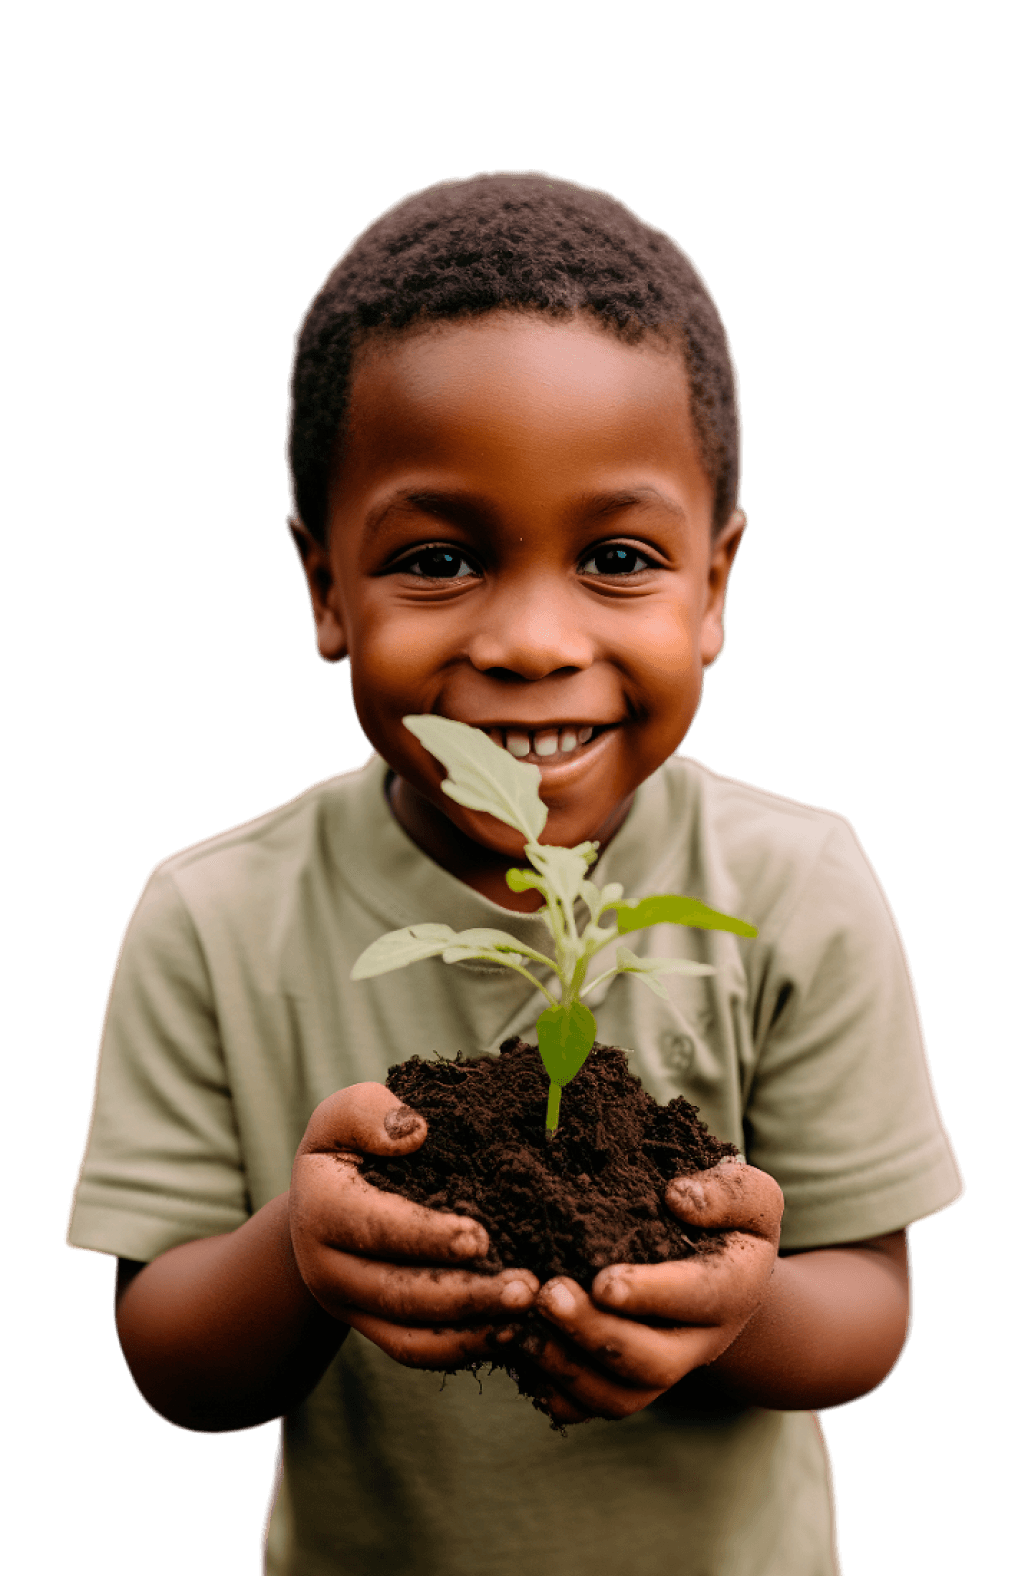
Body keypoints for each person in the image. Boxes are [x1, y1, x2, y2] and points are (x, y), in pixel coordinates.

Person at [65, 170, 964, 1576]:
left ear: (715, 586)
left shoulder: (800, 885)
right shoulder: (211, 914)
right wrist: (305, 1253)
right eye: (440, 559)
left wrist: (733, 1315)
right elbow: (171, 1355)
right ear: (322, 588)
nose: (534, 640)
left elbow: (871, 1304)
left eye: (616, 558)